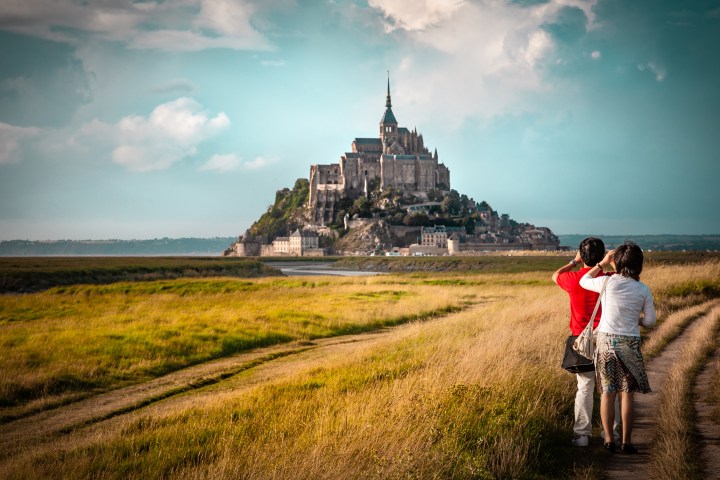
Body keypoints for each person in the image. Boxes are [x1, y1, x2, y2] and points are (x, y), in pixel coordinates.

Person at [579, 241, 656, 454]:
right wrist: (635, 320)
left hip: (605, 342)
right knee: (627, 394)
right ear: (638, 264)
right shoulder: (643, 289)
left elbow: (584, 280)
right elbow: (650, 321)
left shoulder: (607, 283)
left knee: (607, 393)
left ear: (617, 263)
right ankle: (627, 441)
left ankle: (609, 439)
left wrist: (602, 263)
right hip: (629, 342)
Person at [552, 237, 620, 447]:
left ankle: (582, 435)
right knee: (610, 388)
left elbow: (555, 276)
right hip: (608, 338)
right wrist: (612, 261)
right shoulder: (610, 279)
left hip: (582, 340)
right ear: (602, 256)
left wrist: (573, 261)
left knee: (585, 387)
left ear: (582, 256)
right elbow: (623, 277)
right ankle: (614, 434)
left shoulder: (573, 279)